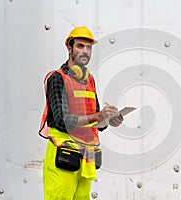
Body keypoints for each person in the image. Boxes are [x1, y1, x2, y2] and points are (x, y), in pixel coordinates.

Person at [39, 26, 123, 200]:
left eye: (89, 47)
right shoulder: (57, 78)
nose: (85, 51)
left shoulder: (90, 80)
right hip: (64, 155)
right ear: (69, 48)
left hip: (86, 158)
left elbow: (96, 123)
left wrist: (108, 120)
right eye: (80, 46)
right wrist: (98, 116)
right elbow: (62, 120)